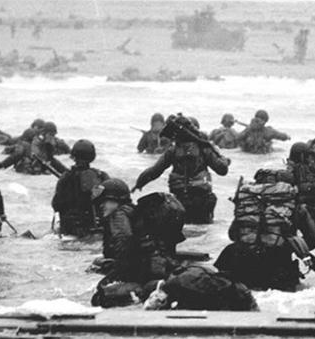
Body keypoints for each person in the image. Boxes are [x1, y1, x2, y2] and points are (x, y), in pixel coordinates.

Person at [214, 169, 315, 292]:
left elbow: (233, 235)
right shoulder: (294, 205)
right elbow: (314, 239)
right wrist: (291, 246)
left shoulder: (246, 202)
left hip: (242, 264)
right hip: (277, 266)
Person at [90, 179, 185, 307]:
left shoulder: (119, 214)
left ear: (116, 200)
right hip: (158, 266)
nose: (101, 206)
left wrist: (120, 272)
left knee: (100, 296)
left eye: (104, 202)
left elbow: (123, 239)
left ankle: (149, 290)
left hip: (144, 271)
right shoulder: (135, 213)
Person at [133, 114, 230, 224]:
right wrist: (222, 158)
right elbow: (222, 170)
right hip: (201, 198)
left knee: (184, 227)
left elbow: (155, 171)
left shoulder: (173, 150)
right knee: (202, 228)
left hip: (180, 199)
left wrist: (139, 183)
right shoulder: (204, 148)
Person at [52, 139, 111, 237]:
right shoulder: (101, 176)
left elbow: (56, 205)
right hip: (95, 227)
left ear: (74, 156)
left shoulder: (65, 178)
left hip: (70, 229)